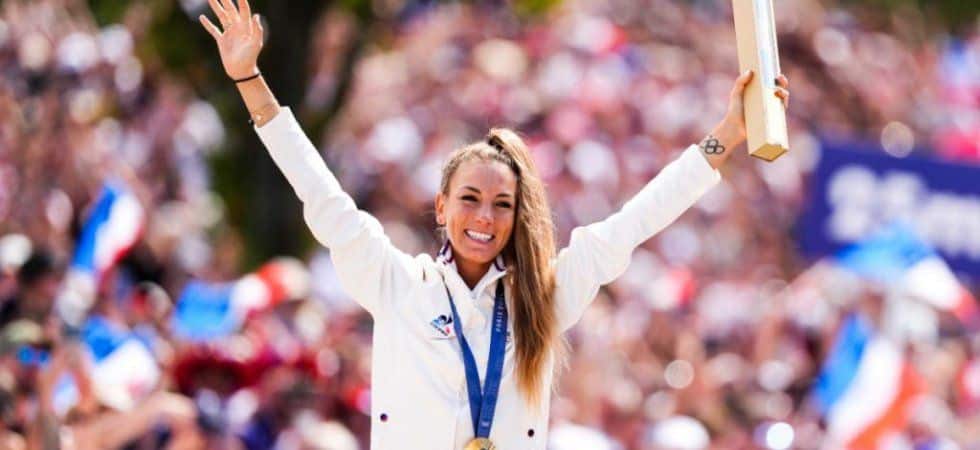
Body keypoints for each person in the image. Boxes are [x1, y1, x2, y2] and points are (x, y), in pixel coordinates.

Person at [199, 0, 790, 448]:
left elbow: (633, 223)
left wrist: (726, 136)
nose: (484, 217)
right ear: (441, 207)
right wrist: (251, 81)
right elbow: (322, 195)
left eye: (502, 204)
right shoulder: (398, 284)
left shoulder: (541, 299)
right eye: (470, 199)